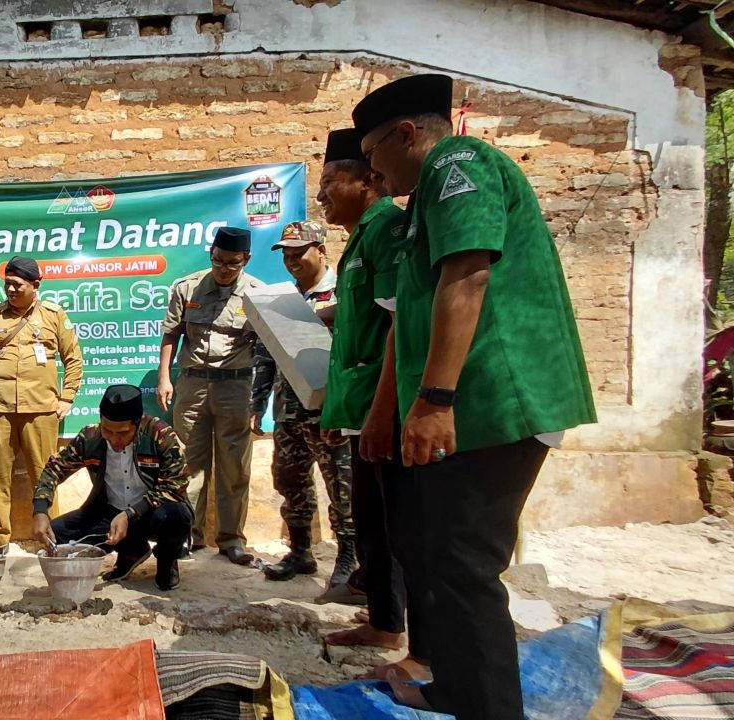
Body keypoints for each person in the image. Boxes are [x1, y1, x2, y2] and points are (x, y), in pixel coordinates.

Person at [353, 74, 596, 718]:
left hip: (494, 401)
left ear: (408, 134)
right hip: (456, 409)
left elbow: (469, 272)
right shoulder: (418, 207)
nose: (373, 173)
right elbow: (409, 316)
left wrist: (433, 399)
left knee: (464, 568)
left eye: (374, 155)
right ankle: (457, 688)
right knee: (437, 560)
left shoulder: (460, 162)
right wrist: (391, 409)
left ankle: (489, 707)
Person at [314, 129, 430, 679]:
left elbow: (399, 325)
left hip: (387, 408)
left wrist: (381, 413)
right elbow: (358, 325)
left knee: (404, 524)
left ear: (366, 180)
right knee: (371, 522)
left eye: (330, 183)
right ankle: (383, 621)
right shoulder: (360, 240)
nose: (321, 197)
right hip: (361, 410)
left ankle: (422, 650)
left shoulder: (388, 230)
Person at [251, 220, 356, 585]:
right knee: (290, 482)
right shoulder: (284, 300)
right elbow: (267, 354)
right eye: (287, 255)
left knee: (342, 487)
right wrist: (257, 403)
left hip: (330, 411)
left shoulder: (345, 292)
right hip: (288, 411)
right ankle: (300, 553)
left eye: (300, 253)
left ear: (321, 250)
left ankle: (348, 561)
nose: (292, 261)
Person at [157, 226, 268, 565]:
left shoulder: (257, 293)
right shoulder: (188, 286)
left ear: (245, 260)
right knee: (188, 464)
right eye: (217, 260)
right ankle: (188, 536)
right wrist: (165, 377)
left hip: (236, 386)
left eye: (231, 263)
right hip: (192, 384)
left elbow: (266, 349)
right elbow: (170, 334)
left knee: (234, 466)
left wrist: (259, 401)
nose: (222, 268)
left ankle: (232, 539)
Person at [0, 256, 83, 552]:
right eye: (7, 284)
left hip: (41, 409)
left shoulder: (53, 314)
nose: (11, 290)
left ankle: (50, 540)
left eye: (17, 285)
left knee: (44, 478)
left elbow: (73, 358)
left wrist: (67, 396)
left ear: (35, 285)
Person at [32, 385, 191, 591]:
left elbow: (175, 486)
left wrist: (131, 513)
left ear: (138, 423)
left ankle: (168, 561)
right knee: (58, 534)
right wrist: (40, 510)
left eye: (123, 433)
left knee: (174, 517)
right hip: (110, 513)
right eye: (108, 430)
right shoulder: (90, 438)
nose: (115, 439)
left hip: (152, 512)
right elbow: (54, 469)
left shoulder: (159, 435)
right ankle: (132, 551)